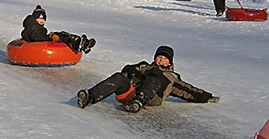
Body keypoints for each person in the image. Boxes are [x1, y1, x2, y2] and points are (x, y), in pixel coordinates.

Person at [76, 45, 218, 113]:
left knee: (155, 79)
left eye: (164, 58)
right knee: (118, 77)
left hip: (152, 97)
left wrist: (206, 97)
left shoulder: (172, 77)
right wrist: (133, 73)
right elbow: (127, 69)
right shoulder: (145, 66)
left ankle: (138, 102)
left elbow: (188, 91)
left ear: (170, 62)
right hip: (131, 93)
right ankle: (90, 96)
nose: (161, 60)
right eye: (159, 57)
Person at [20, 5, 94, 54]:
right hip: (34, 49)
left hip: (37, 43)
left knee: (61, 34)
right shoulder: (32, 26)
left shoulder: (35, 25)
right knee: (60, 36)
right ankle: (77, 43)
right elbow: (36, 38)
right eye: (39, 18)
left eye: (43, 19)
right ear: (35, 18)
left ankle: (84, 44)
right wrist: (50, 37)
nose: (42, 21)